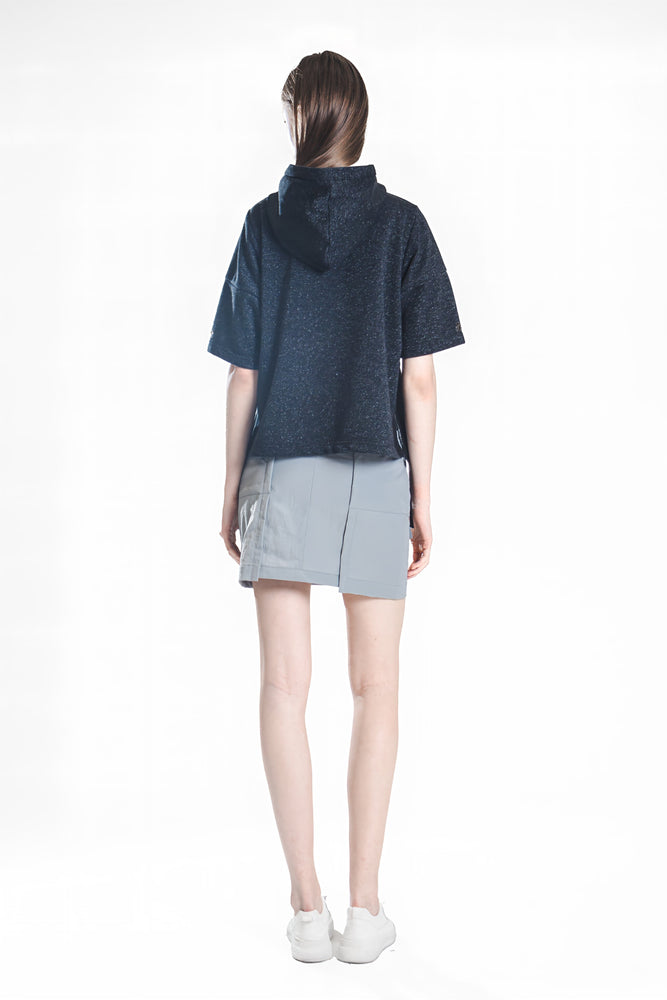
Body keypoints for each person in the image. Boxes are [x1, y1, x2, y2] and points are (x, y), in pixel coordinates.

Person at [207, 51, 465, 964]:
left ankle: (305, 910)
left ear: (297, 117)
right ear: (358, 120)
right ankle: (365, 910)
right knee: (375, 689)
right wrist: (421, 495)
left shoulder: (260, 226)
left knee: (284, 688)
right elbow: (418, 380)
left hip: (281, 464)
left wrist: (229, 488)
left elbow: (243, 375)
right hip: (375, 470)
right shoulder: (401, 226)